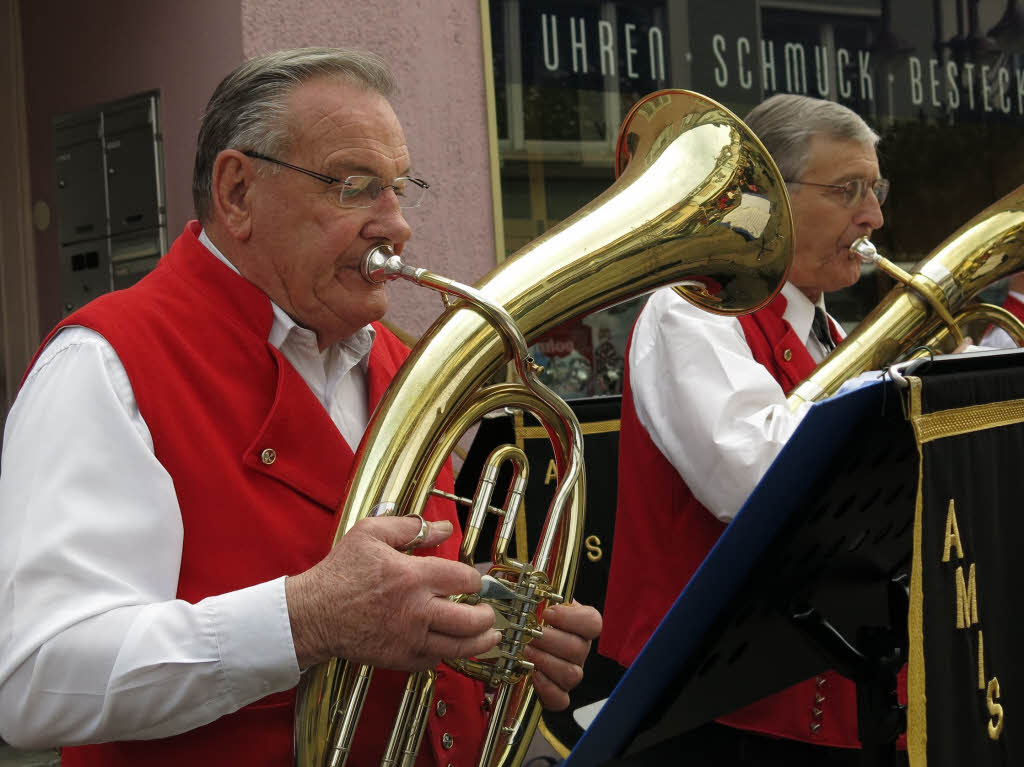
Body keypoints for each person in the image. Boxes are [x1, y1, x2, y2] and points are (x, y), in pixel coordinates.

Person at [0, 48, 601, 766]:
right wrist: (302, 620)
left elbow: (403, 602)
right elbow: (34, 677)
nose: (397, 225)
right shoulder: (103, 365)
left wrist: (499, 627)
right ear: (237, 193)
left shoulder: (401, 363)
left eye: (400, 189)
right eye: (354, 186)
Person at [600, 93, 898, 765]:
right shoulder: (693, 312)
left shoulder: (833, 336)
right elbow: (754, 476)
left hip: (827, 718)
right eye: (847, 189)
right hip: (709, 725)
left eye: (875, 190)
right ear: (767, 193)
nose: (873, 215)